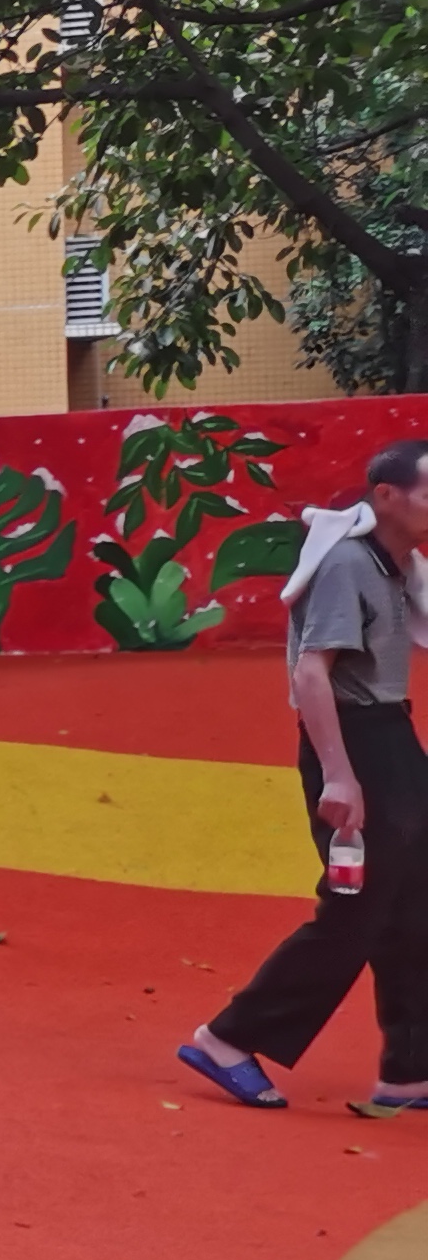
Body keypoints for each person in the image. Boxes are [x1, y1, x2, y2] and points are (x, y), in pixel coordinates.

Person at [180, 439, 428, 1116]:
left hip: (392, 734)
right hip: (355, 741)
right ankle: (228, 1039)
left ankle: (410, 1071)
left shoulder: (397, 563)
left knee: (417, 902)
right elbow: (311, 673)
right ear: (386, 496)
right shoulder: (348, 563)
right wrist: (339, 778)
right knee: (358, 905)